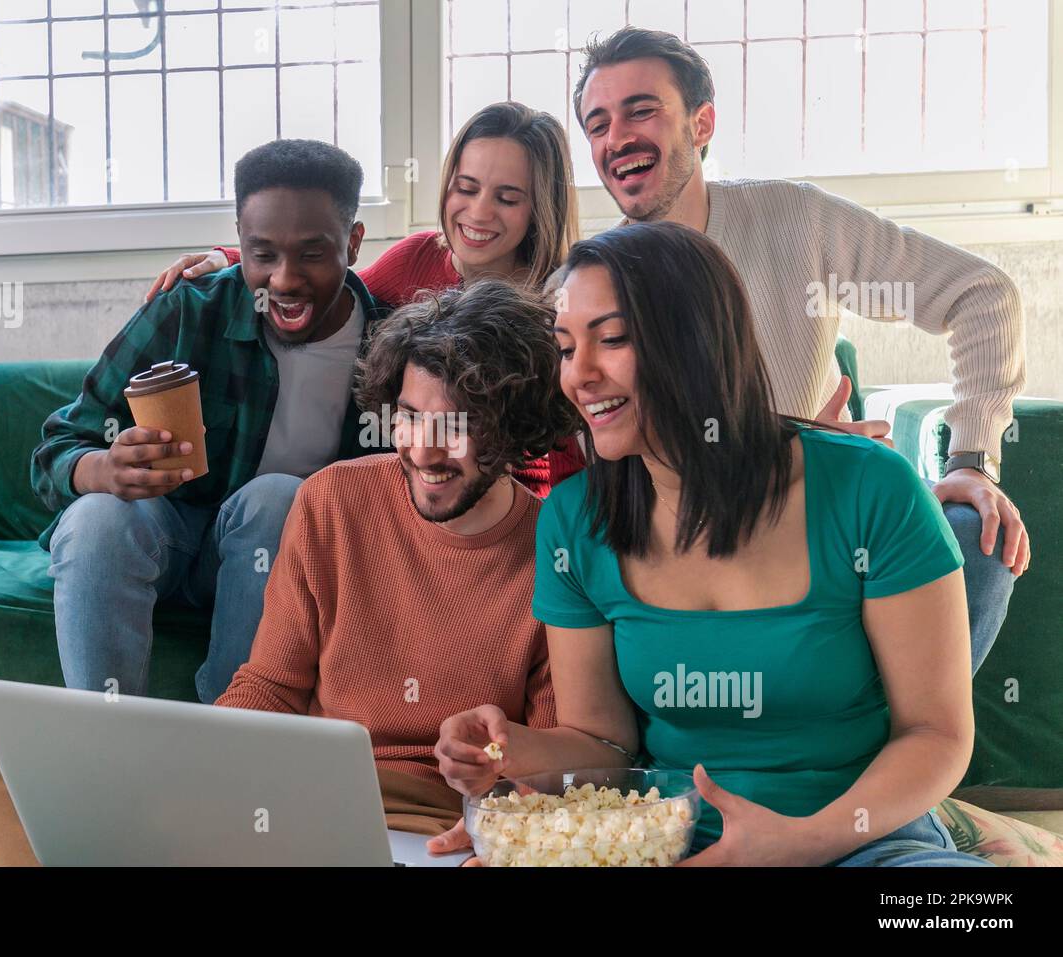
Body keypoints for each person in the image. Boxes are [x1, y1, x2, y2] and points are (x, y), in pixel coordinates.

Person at [0, 279, 578, 864]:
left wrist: (497, 773)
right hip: (299, 803)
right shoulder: (333, 500)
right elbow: (271, 684)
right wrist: (196, 762)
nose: (423, 449)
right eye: (410, 416)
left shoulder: (554, 548)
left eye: (457, 426)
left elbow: (550, 757)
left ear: (514, 428)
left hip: (441, 828)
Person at [433, 222, 991, 866]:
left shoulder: (871, 488)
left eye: (611, 340)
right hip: (670, 842)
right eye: (564, 348)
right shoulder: (575, 521)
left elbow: (936, 733)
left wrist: (801, 844)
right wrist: (505, 751)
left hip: (863, 840)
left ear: (694, 342)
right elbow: (606, 747)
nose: (578, 375)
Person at [566, 26, 1027, 671]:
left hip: (818, 512)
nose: (616, 138)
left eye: (642, 110)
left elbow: (982, 295)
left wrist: (972, 459)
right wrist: (793, 439)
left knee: (979, 540)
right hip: (673, 534)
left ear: (702, 124)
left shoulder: (796, 223)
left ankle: (904, 749)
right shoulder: (589, 283)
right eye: (597, 124)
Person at [30, 139, 388, 705]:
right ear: (239, 242)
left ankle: (228, 730)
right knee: (98, 516)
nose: (285, 279)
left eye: (313, 254)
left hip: (282, 562)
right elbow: (56, 448)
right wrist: (102, 467)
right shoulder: (187, 310)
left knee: (276, 498)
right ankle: (106, 739)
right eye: (263, 254)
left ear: (354, 242)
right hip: (160, 543)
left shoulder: (387, 349)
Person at [145, 101, 586, 495]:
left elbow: (566, 449)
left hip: (521, 500)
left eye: (507, 198)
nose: (479, 212)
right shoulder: (417, 259)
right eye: (466, 188)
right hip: (422, 488)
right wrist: (233, 258)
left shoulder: (560, 299)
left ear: (540, 209)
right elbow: (330, 283)